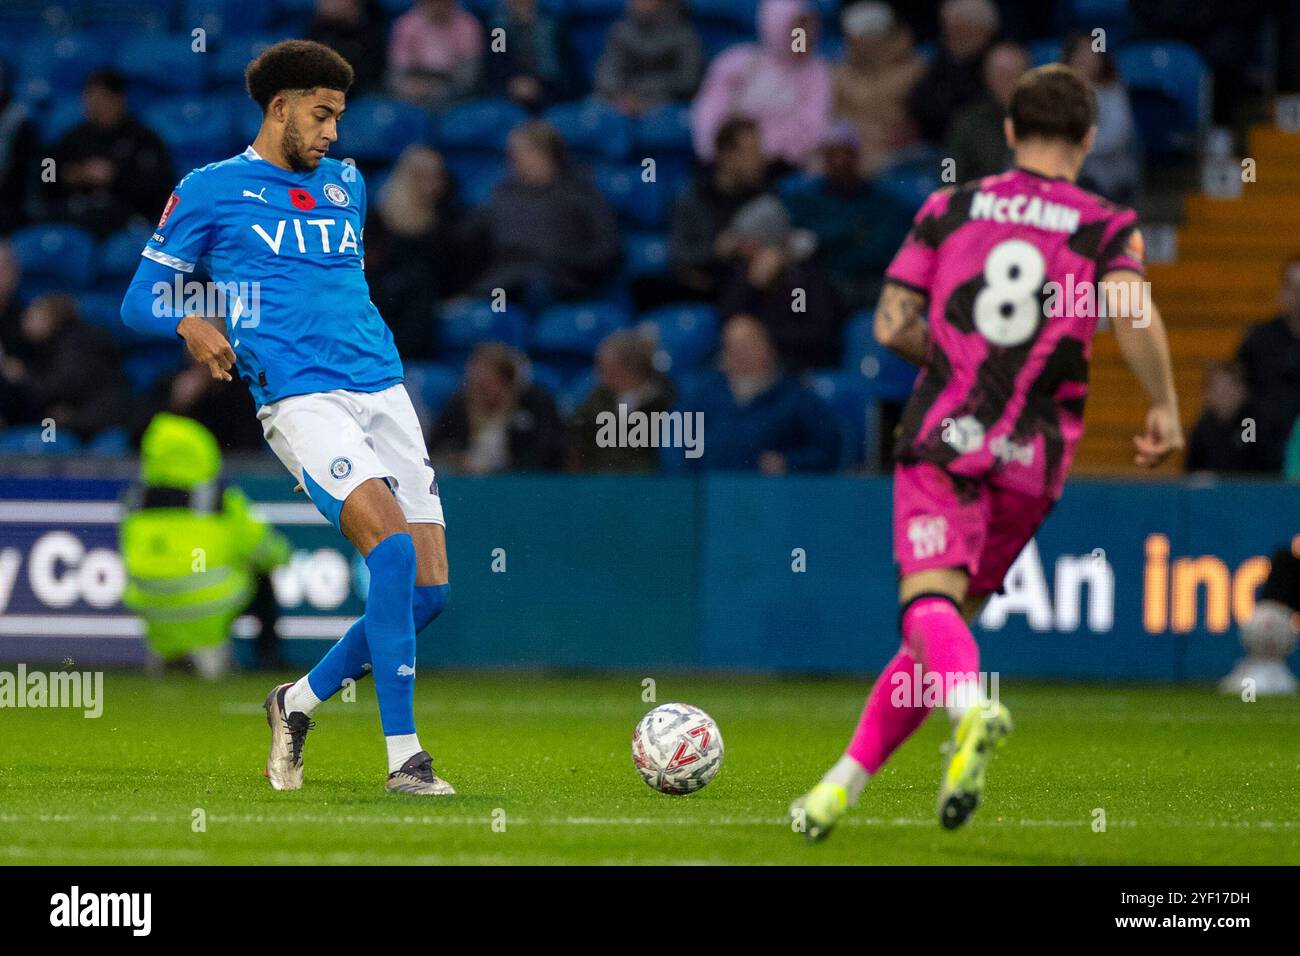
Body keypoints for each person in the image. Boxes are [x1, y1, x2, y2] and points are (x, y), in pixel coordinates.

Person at [793, 64, 1183, 839]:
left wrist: (960, 364)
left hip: (946, 437)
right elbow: (1131, 311)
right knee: (937, 633)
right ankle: (838, 788)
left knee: (928, 606)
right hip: (1035, 457)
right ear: (1088, 137)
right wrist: (1166, 407)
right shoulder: (1106, 223)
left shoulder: (950, 206)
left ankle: (972, 710)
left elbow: (892, 324)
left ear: (1009, 132)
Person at [120, 41, 457, 796]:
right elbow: (138, 297)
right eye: (322, 113)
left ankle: (294, 702)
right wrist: (192, 322)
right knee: (393, 555)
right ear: (280, 108)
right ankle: (405, 759)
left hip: (383, 387)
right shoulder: (210, 190)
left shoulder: (346, 184)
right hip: (300, 396)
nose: (334, 131)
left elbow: (338, 285)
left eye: (339, 115)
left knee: (430, 593)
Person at [120, 413, 291, 678]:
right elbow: (263, 549)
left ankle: (165, 653)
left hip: (150, 603)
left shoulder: (135, 500)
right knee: (261, 574)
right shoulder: (220, 500)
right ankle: (268, 659)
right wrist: (283, 556)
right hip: (209, 604)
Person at [460, 120, 621, 310]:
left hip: (559, 282)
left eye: (519, 152)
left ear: (546, 153)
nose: (512, 160)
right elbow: (468, 239)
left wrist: (561, 260)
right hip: (504, 279)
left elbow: (608, 248)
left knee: (532, 285)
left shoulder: (580, 192)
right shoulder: (503, 194)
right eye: (510, 154)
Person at [665, 314, 839, 473]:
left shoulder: (796, 396)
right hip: (708, 495)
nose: (741, 353)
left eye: (748, 345)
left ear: (769, 347)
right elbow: (674, 439)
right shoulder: (702, 395)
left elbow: (828, 448)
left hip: (770, 496)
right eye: (733, 346)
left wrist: (790, 463)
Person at [785, 122, 915, 310]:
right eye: (833, 155)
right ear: (825, 159)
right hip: (830, 285)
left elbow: (888, 248)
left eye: (845, 153)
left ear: (856, 156)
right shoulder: (806, 201)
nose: (840, 161)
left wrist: (835, 241)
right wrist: (849, 235)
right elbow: (803, 245)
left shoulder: (882, 200)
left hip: (876, 282)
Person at [690, 0, 833, 170]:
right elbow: (709, 112)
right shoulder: (736, 61)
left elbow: (813, 126)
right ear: (776, 25)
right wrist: (716, 152)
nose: (805, 36)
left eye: (809, 28)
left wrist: (762, 153)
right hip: (728, 161)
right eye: (797, 29)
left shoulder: (817, 72)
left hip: (783, 165)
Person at [716, 194, 845, 370]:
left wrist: (763, 338)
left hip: (797, 364)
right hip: (754, 360)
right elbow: (730, 319)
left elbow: (808, 330)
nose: (745, 250)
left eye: (751, 244)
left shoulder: (800, 278)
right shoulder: (746, 271)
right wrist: (752, 286)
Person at [363, 145, 463, 358]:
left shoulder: (450, 220)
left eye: (436, 176)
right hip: (386, 294)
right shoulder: (379, 220)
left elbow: (455, 272)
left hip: (427, 302)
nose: (432, 184)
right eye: (422, 177)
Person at [50, 68, 173, 236]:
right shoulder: (73, 137)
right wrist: (68, 176)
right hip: (76, 216)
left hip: (126, 219)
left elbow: (158, 189)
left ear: (119, 99)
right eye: (90, 101)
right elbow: (46, 175)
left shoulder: (144, 139)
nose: (94, 108)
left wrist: (115, 176)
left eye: (101, 101)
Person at [0, 293, 129, 440]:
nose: (25, 319)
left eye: (32, 314)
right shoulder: (44, 346)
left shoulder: (77, 343)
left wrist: (23, 376)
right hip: (83, 418)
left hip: (99, 421)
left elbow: (64, 385)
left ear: (50, 317)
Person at [667, 116, 769, 299]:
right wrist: (718, 249)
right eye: (751, 152)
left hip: (759, 293)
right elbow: (678, 255)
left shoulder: (765, 198)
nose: (760, 159)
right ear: (726, 155)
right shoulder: (694, 200)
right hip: (708, 293)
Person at [427, 341, 566, 473]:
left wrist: (506, 470)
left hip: (521, 484)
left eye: (486, 384)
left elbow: (546, 451)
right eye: (474, 383)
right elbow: (435, 447)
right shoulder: (459, 404)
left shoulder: (535, 403)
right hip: (469, 483)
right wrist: (455, 459)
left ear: (505, 381)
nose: (479, 391)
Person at [831, 2, 925, 177]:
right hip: (853, 146)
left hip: (895, 150)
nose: (857, 46)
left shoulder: (912, 70)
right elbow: (837, 117)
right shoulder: (841, 72)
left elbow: (911, 123)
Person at [569, 329, 676, 472]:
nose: (598, 374)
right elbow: (577, 442)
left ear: (629, 367)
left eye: (604, 367)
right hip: (598, 485)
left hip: (648, 486)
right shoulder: (596, 399)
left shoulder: (666, 400)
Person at [1234, 256, 1300, 471]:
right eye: (1293, 287)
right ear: (1282, 292)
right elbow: (1240, 399)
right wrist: (1246, 442)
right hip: (1261, 450)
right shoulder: (1258, 340)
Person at [907, 0, 999, 145]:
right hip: (935, 142)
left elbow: (981, 110)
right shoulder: (944, 58)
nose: (952, 38)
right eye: (948, 30)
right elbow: (919, 101)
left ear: (983, 31)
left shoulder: (997, 61)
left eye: (961, 30)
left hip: (983, 144)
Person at [1062, 33, 1139, 205]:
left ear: (1102, 59)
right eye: (1080, 54)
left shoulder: (1113, 92)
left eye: (1092, 54)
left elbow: (1117, 136)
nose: (1086, 60)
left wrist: (1076, 146)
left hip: (1109, 173)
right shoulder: (1058, 91)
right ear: (1069, 57)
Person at [595, 0, 703, 116]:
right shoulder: (622, 31)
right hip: (620, 99)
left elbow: (688, 80)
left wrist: (642, 96)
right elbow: (607, 71)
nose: (638, 3)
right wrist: (621, 95)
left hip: (666, 101)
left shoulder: (685, 36)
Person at [945, 41, 1031, 181]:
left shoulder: (1048, 117)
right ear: (988, 78)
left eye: (1015, 74)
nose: (1009, 82)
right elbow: (949, 163)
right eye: (1001, 75)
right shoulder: (968, 121)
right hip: (983, 198)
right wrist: (948, 190)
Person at [387, 0, 484, 108]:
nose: (438, 5)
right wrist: (408, 87)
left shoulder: (467, 26)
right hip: (412, 91)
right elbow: (396, 73)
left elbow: (468, 78)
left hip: (454, 97)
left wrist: (435, 90)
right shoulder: (406, 25)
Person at [481, 0, 570, 110]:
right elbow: (497, 66)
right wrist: (515, 84)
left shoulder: (552, 26)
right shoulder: (498, 30)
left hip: (550, 93)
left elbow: (566, 70)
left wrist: (539, 85)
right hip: (510, 94)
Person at [1184, 359, 1270, 473]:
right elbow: (1191, 471)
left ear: (1243, 391)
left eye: (1229, 388)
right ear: (1207, 394)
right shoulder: (1202, 429)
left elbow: (1268, 469)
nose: (1224, 395)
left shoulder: (1255, 423)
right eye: (1217, 389)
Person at [308, 0, 387, 95]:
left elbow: (371, 75)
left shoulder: (374, 32)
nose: (322, 4)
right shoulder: (317, 31)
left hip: (361, 96)